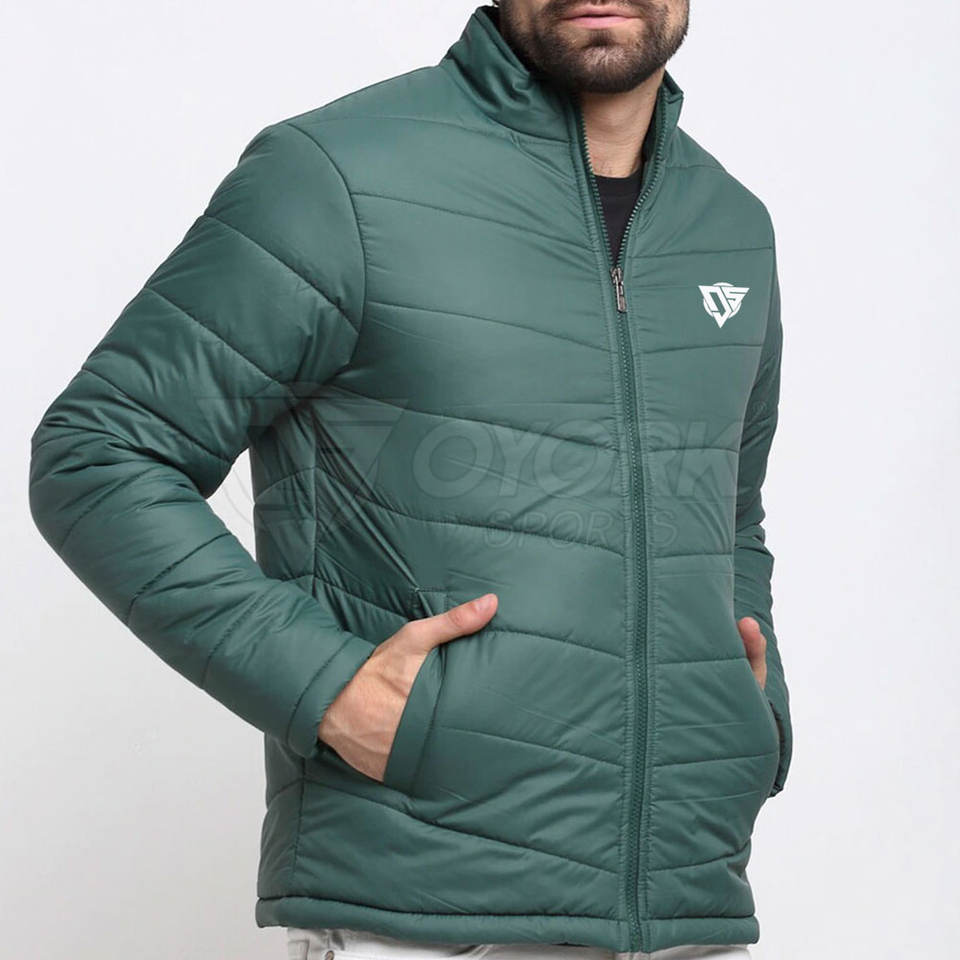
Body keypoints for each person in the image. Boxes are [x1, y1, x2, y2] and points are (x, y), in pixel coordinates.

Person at [28, 2, 792, 958]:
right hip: (421, 918)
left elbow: (729, 513)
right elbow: (99, 451)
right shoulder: (339, 176)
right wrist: (327, 687)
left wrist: (751, 717)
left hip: (689, 912)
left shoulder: (730, 226)